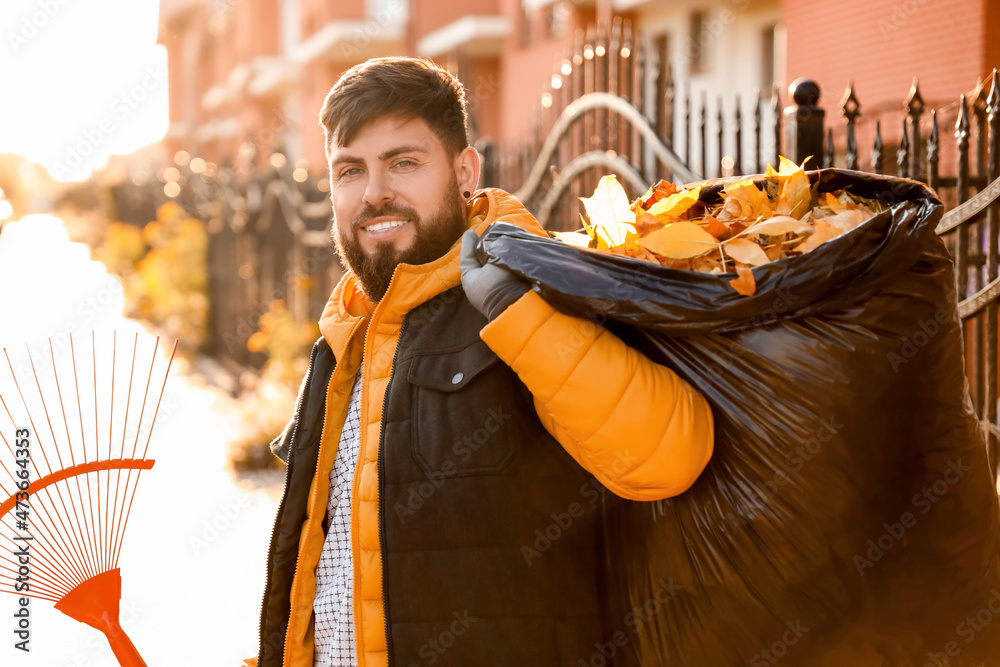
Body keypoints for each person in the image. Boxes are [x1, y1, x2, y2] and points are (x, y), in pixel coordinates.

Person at [248, 56, 714, 667]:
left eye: (404, 162)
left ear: (465, 171)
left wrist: (516, 312)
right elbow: (324, 575)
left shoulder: (537, 291)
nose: (374, 192)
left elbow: (670, 456)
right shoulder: (344, 341)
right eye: (350, 170)